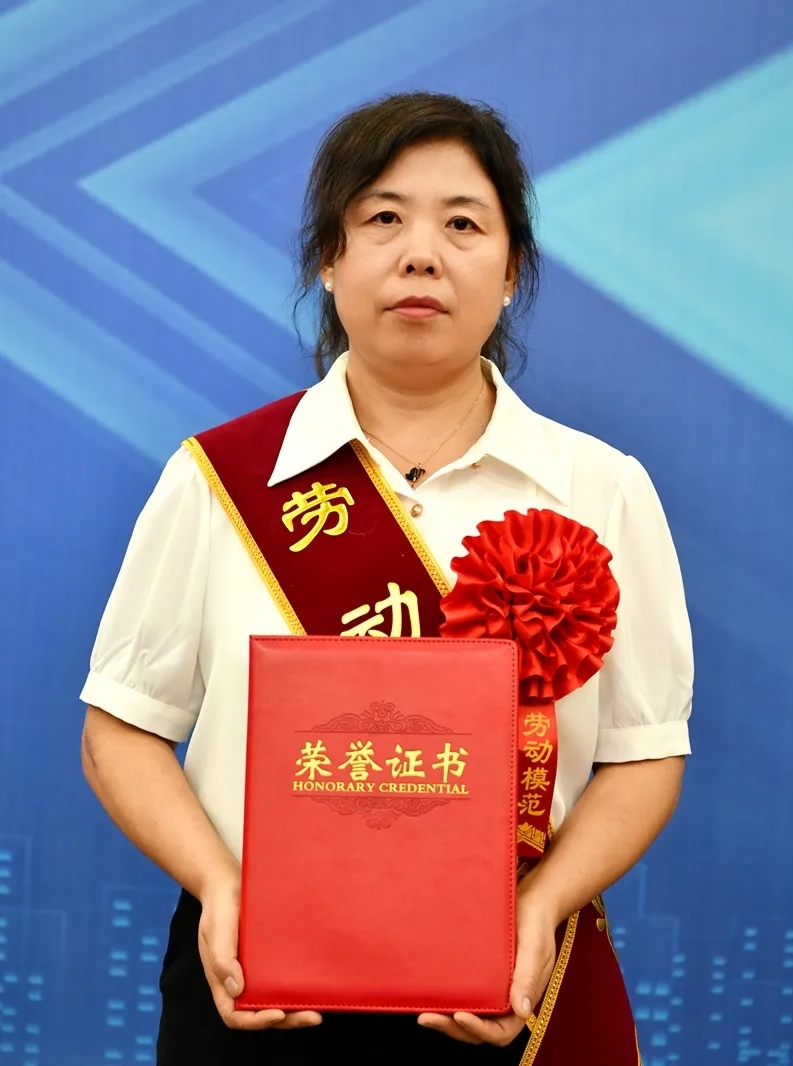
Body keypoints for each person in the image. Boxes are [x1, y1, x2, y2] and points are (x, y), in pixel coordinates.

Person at [80, 92, 692, 1064]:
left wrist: (541, 906)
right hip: (257, 984)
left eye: (463, 224)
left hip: (508, 983)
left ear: (511, 271)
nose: (420, 254)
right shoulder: (218, 480)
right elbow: (122, 727)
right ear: (329, 259)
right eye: (382, 218)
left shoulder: (601, 490)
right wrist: (220, 885)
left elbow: (643, 750)